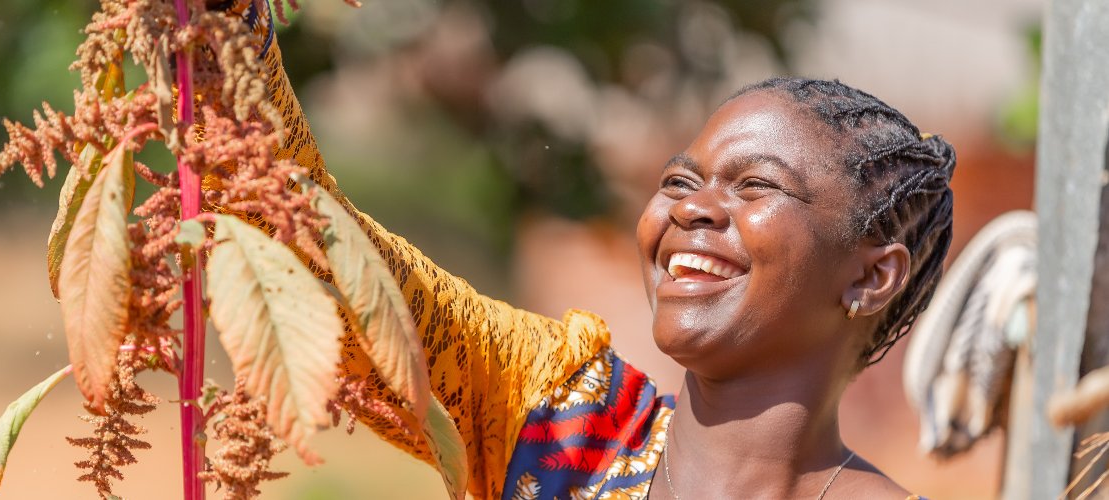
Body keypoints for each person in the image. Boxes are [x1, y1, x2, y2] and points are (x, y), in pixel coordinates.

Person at [256, 32, 952, 500]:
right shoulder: (562, 421)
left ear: (871, 276)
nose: (691, 209)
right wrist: (226, 36)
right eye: (679, 182)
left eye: (756, 186)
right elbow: (320, 249)